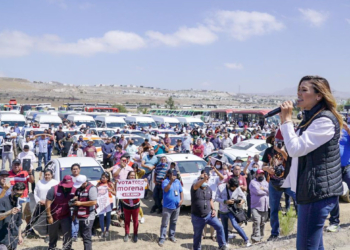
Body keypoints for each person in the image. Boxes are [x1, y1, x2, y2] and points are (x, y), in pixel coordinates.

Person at [280, 76, 343, 249]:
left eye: (304, 90)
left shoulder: (324, 121)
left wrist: (286, 121)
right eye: (298, 89)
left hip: (316, 193)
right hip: (310, 191)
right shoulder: (311, 118)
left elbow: (295, 149)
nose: (299, 93)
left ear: (319, 95)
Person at [262, 132, 296, 241]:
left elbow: (292, 162)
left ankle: (303, 228)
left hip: (287, 181)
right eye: (273, 140)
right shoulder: (268, 151)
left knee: (299, 201)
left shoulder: (288, 149)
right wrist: (267, 169)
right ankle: (274, 233)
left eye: (277, 140)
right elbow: (263, 166)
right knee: (273, 209)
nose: (275, 142)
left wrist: (282, 151)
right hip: (273, 183)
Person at [191, 170, 227, 250]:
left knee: (219, 226)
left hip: (209, 215)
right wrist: (203, 179)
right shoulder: (195, 187)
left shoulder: (209, 189)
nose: (204, 180)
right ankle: (197, 248)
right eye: (201, 179)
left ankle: (222, 245)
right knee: (197, 234)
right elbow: (196, 185)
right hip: (197, 217)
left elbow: (210, 199)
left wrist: (213, 209)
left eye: (206, 179)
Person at [326, 123, 350, 232]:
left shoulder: (347, 129)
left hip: (348, 167)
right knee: (334, 194)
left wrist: (348, 130)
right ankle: (334, 222)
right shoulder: (329, 130)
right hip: (333, 167)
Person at [215, 178, 251, 247]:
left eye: (235, 188)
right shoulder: (221, 187)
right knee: (224, 227)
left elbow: (244, 197)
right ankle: (225, 242)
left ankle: (246, 240)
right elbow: (216, 198)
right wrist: (225, 201)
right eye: (232, 188)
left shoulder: (237, 188)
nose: (234, 189)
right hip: (223, 211)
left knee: (235, 225)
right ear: (228, 184)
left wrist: (241, 201)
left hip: (232, 210)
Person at [46, 175, 76, 250]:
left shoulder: (74, 190)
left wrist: (74, 214)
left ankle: (67, 248)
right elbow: (47, 203)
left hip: (66, 215)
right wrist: (49, 216)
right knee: (53, 233)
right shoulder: (53, 189)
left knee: (67, 233)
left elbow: (76, 203)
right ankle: (52, 247)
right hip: (54, 215)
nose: (67, 187)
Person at [158, 169, 183, 247]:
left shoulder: (178, 182)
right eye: (172, 174)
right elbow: (165, 189)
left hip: (176, 206)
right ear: (169, 174)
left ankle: (171, 236)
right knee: (165, 223)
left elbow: (181, 191)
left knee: (174, 222)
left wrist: (181, 200)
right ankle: (162, 238)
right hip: (167, 207)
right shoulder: (165, 181)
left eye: (175, 174)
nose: (174, 175)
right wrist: (171, 182)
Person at [31, 169, 58, 241]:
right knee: (34, 217)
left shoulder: (55, 183)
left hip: (51, 205)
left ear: (52, 175)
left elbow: (57, 194)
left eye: (48, 175)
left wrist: (51, 202)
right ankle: (28, 230)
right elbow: (35, 192)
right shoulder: (40, 182)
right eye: (46, 174)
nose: (47, 176)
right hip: (41, 204)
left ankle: (48, 235)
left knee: (48, 219)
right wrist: (39, 200)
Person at [72, 175, 97, 250]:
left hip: (88, 215)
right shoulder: (79, 189)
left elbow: (93, 202)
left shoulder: (92, 189)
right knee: (83, 235)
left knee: (86, 237)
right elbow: (77, 200)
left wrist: (80, 203)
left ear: (85, 183)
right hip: (80, 215)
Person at [0, 182, 25, 250]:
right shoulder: (2, 201)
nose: (17, 196)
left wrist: (19, 236)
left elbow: (19, 222)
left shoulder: (19, 203)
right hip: (2, 237)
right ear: (12, 190)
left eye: (20, 195)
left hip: (13, 237)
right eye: (16, 194)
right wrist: (9, 212)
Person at [249, 169, 269, 243]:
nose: (261, 176)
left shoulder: (266, 182)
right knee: (256, 221)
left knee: (262, 222)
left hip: (265, 206)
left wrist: (264, 189)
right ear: (256, 175)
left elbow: (270, 191)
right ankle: (255, 237)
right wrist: (266, 191)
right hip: (256, 206)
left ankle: (260, 237)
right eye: (259, 174)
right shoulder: (253, 182)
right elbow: (257, 192)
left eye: (262, 174)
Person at [122, 171, 142, 243]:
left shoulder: (139, 183)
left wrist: (146, 182)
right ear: (128, 176)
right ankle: (127, 233)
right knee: (127, 220)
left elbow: (145, 188)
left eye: (133, 175)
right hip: (126, 205)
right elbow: (119, 191)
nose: (132, 177)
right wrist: (117, 183)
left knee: (135, 220)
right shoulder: (123, 183)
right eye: (131, 175)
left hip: (135, 205)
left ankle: (135, 234)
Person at [96, 172, 115, 238]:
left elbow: (115, 193)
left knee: (108, 217)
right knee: (101, 217)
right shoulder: (98, 184)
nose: (103, 178)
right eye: (102, 177)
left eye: (105, 177)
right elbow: (96, 192)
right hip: (101, 202)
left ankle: (107, 230)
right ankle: (102, 231)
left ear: (108, 178)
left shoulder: (110, 184)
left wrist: (110, 190)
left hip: (109, 202)